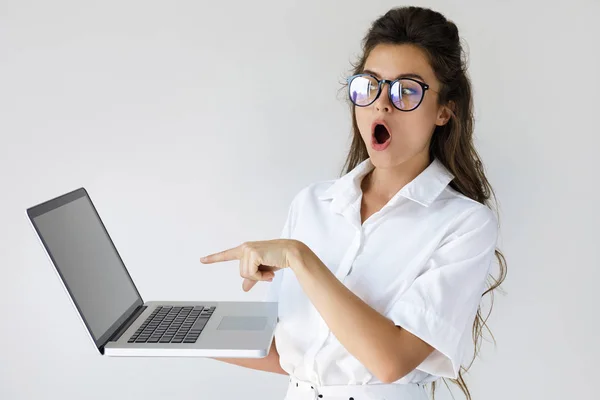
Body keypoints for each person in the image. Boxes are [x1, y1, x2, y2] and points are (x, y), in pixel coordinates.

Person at [201, 5, 507, 400]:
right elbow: (292, 353)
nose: (382, 104)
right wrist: (178, 334)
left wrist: (300, 257)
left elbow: (390, 360)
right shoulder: (312, 203)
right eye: (370, 85)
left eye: (407, 90)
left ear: (444, 111)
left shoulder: (465, 224)